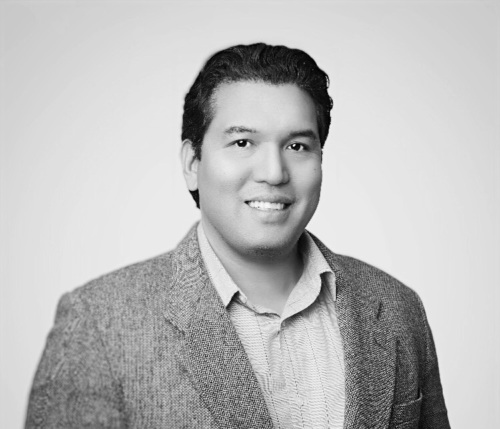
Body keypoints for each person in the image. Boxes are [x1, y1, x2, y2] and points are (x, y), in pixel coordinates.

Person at [25, 43, 450, 429]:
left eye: (298, 146)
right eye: (244, 142)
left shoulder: (396, 307)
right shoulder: (101, 323)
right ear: (193, 162)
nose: (273, 172)